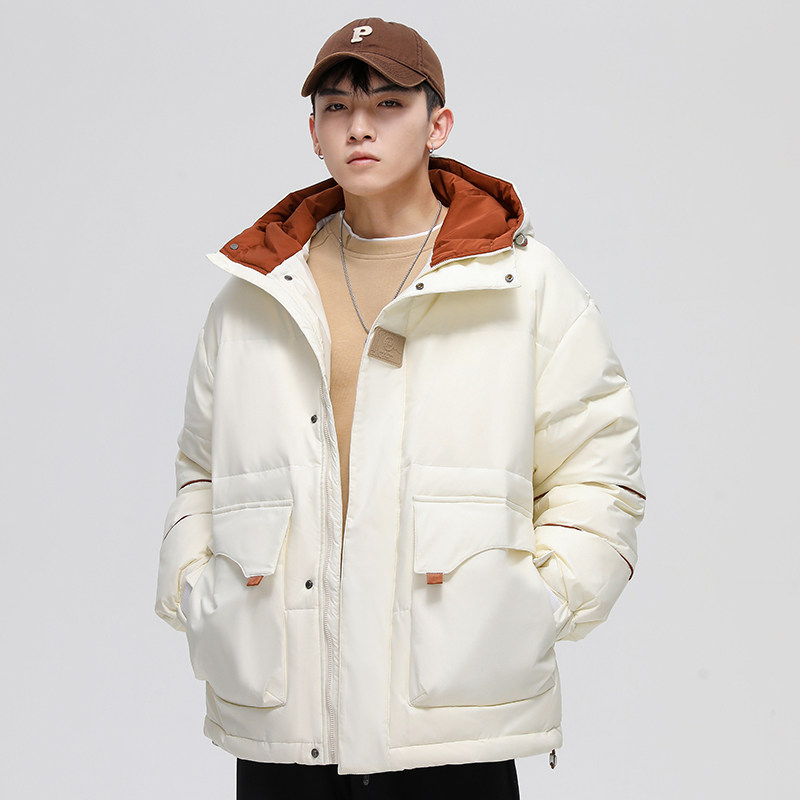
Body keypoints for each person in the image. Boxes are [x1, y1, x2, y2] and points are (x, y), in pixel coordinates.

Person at [154, 17, 646, 799]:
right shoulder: (257, 295)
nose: (360, 127)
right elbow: (200, 472)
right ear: (314, 133)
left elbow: (597, 467)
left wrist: (529, 608)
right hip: (287, 724)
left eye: (388, 104)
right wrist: (196, 588)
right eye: (337, 107)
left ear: (437, 124)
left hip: (454, 721)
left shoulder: (524, 285)